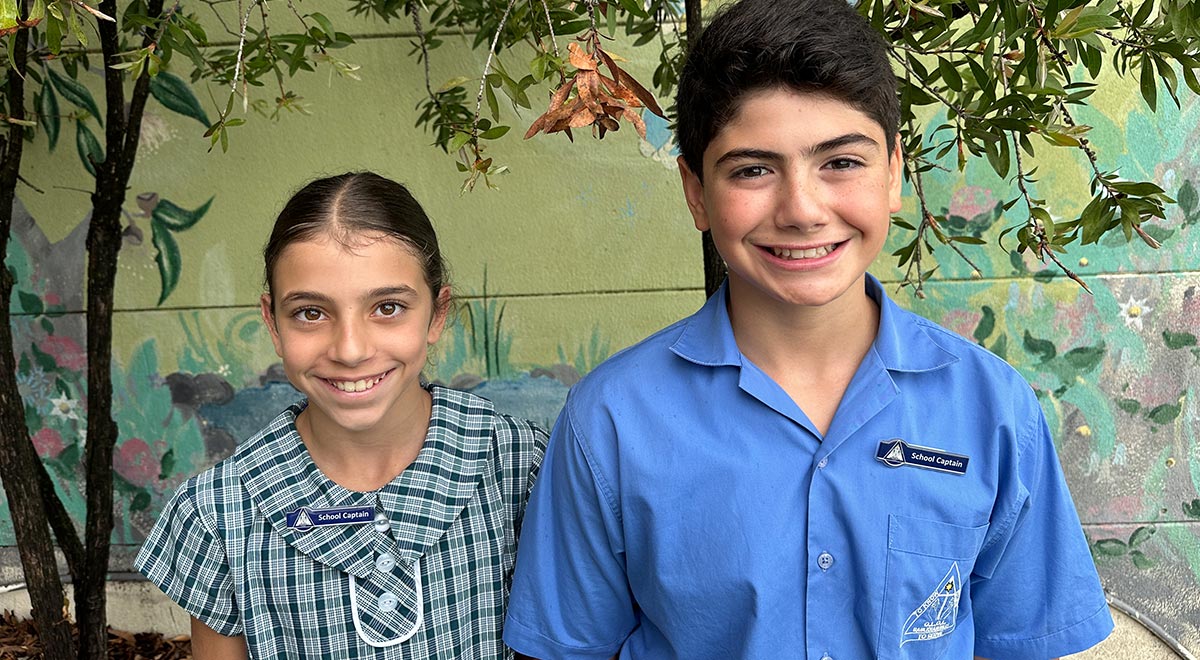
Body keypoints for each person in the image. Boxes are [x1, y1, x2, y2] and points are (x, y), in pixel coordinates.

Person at [502, 0, 1113, 658]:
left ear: (893, 172)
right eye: (752, 170)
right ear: (695, 192)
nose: (801, 209)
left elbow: (1025, 642)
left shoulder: (993, 409)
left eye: (841, 162)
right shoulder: (612, 421)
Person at [136, 172, 547, 659]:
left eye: (388, 307)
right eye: (311, 313)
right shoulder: (218, 513)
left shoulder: (524, 468)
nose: (350, 350)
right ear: (272, 321)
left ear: (437, 314)